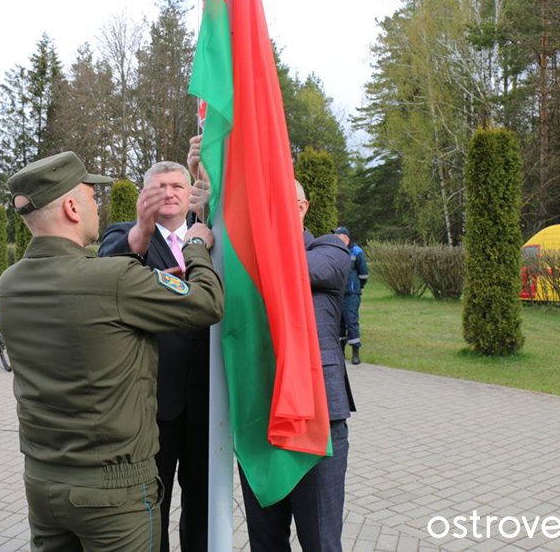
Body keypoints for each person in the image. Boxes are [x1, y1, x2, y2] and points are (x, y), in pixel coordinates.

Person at [0, 151, 224, 552]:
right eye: (90, 196)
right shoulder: (114, 277)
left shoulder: (10, 283)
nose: (96, 206)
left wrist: (147, 289)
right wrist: (194, 247)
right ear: (70, 207)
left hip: (44, 482)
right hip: (112, 494)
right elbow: (206, 302)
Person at [98, 146, 212, 552]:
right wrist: (141, 231)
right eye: (159, 186)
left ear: (191, 192)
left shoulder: (211, 236)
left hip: (208, 401)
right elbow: (110, 262)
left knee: (202, 503)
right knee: (153, 505)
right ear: (143, 197)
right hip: (153, 405)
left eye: (178, 185)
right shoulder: (125, 235)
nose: (169, 192)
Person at [237, 179, 355, 552]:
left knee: (320, 541)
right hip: (261, 414)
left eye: (279, 203)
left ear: (302, 207)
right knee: (265, 541)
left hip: (317, 416)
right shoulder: (250, 255)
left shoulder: (330, 250)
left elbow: (289, 271)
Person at [333, 226, 369, 365]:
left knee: (351, 322)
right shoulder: (335, 251)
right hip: (337, 293)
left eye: (338, 236)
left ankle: (355, 353)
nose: (335, 239)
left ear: (346, 238)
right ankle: (340, 353)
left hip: (351, 295)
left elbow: (364, 273)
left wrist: (358, 286)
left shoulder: (356, 251)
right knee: (339, 324)